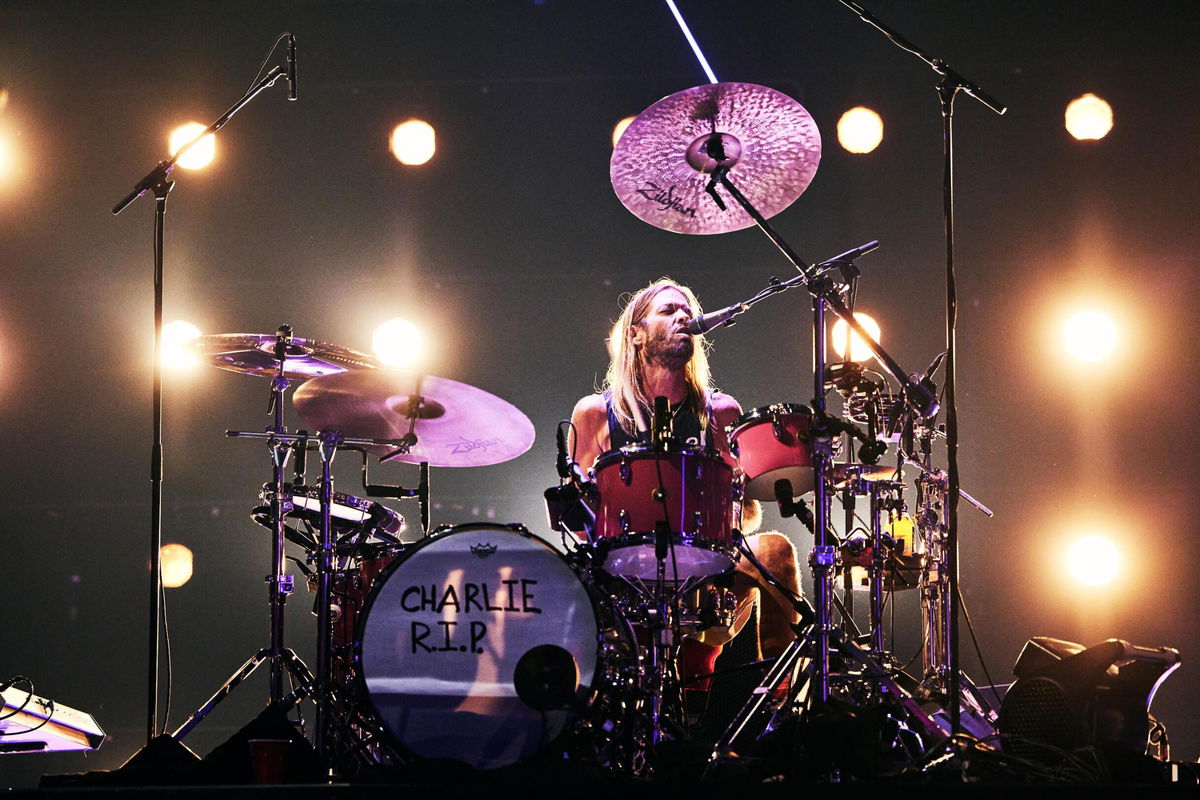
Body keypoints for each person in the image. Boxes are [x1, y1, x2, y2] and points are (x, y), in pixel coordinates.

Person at [569, 278, 802, 668]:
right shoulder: (594, 413)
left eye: (687, 312)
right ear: (636, 334)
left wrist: (733, 500)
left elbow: (745, 516)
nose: (684, 317)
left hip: (706, 568)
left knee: (775, 550)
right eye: (668, 311)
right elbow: (575, 518)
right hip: (624, 570)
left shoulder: (721, 412)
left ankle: (781, 701)